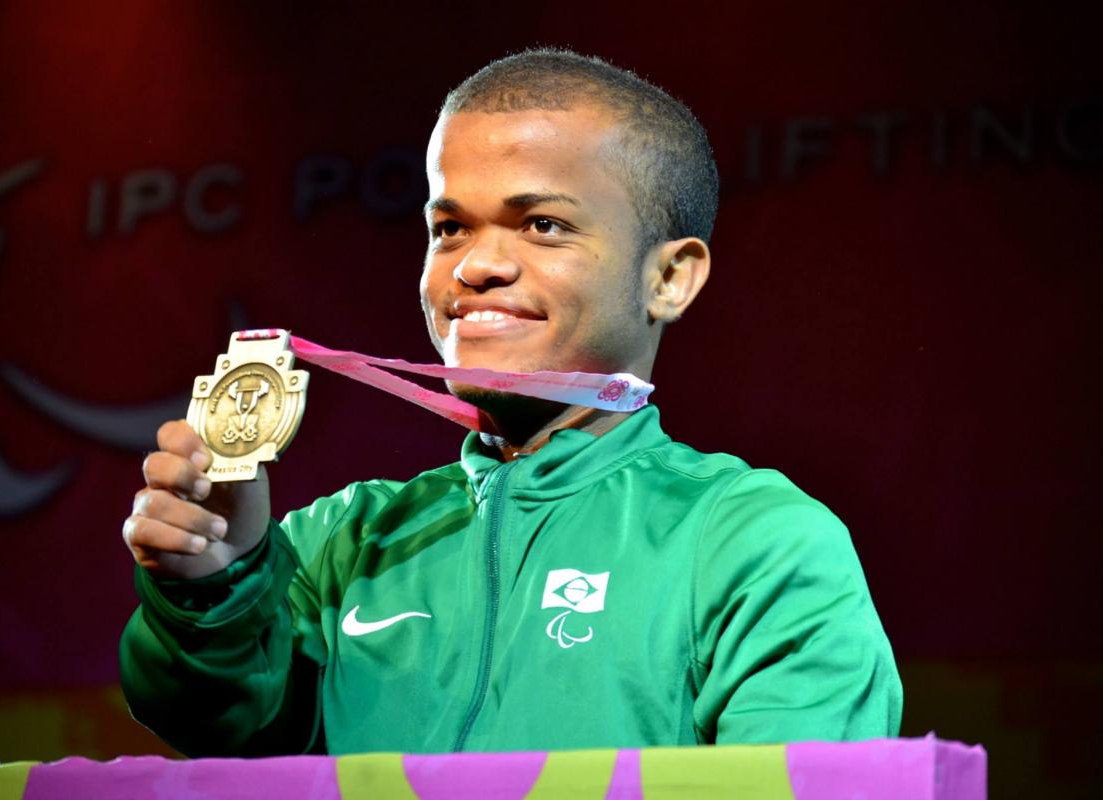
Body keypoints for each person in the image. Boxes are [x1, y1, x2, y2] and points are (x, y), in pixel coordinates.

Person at [119, 49, 902, 756]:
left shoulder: (753, 542)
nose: (478, 265)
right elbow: (215, 729)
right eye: (450, 227)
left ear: (669, 278)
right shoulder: (341, 543)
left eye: (543, 224)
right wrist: (213, 588)